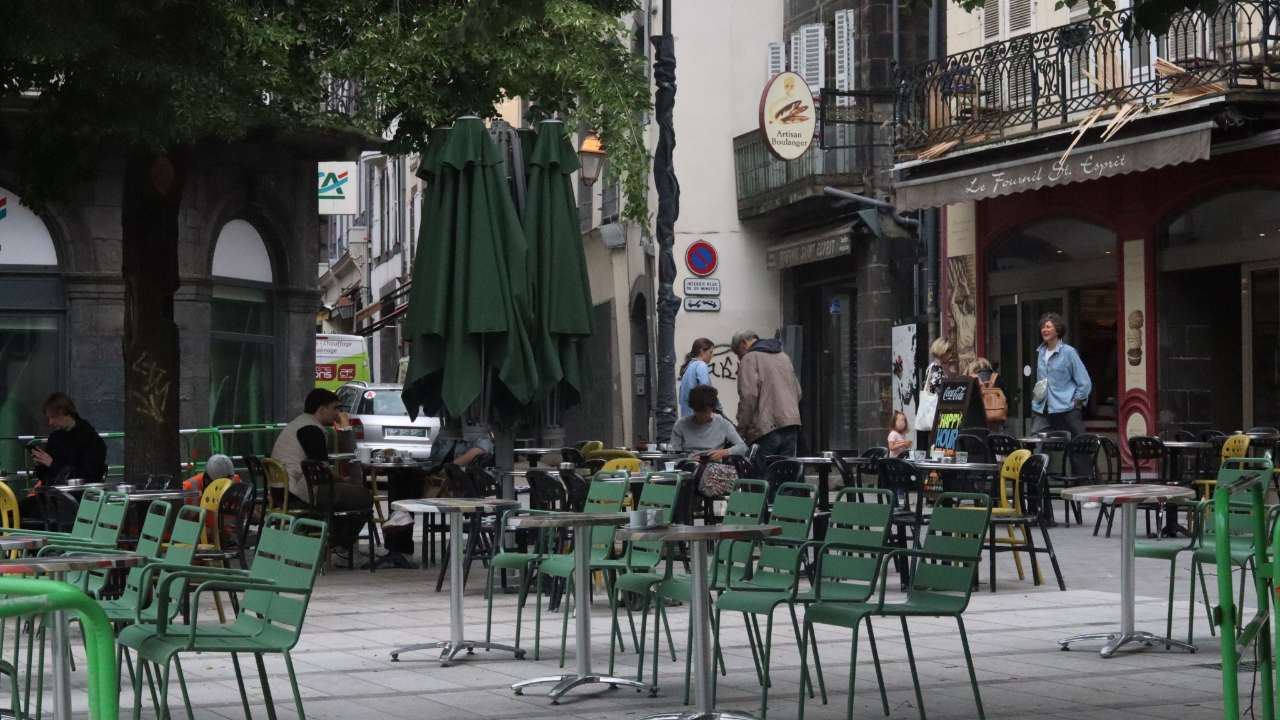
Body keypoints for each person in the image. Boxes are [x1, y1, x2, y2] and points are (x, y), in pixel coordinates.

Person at [271, 388, 374, 554]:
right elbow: (323, 469)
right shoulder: (311, 429)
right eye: (335, 408)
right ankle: (341, 550)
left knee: (343, 495)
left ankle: (332, 547)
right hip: (298, 491)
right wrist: (342, 480)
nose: (338, 413)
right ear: (322, 409)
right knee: (362, 496)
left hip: (280, 490)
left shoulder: (298, 423)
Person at [731, 330, 802, 457]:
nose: (739, 358)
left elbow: (748, 397)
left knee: (759, 474)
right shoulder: (784, 357)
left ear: (743, 342)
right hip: (791, 425)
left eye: (737, 352)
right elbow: (798, 391)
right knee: (784, 473)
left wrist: (741, 430)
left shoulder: (749, 358)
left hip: (766, 428)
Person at [1031, 313, 1091, 440]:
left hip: (1066, 409)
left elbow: (1084, 382)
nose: (1044, 330)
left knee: (1078, 448)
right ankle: (1039, 460)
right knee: (1036, 443)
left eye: (1048, 327)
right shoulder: (1040, 353)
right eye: (1042, 327)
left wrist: (1074, 402)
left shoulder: (1069, 352)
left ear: (1057, 330)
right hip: (1043, 408)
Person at [31, 393, 107, 483]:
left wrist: (52, 463)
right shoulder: (54, 438)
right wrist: (40, 464)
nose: (51, 422)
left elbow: (88, 475)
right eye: (49, 418)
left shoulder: (91, 439)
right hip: (54, 491)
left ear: (65, 412)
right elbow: (45, 476)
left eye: (54, 417)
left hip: (77, 493)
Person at [671, 385, 748, 459]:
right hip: (689, 465)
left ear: (712, 409)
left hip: (715, 464)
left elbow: (743, 448)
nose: (703, 416)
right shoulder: (681, 425)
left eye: (706, 412)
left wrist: (724, 452)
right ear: (693, 409)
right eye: (699, 412)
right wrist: (690, 460)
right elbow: (674, 454)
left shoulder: (724, 424)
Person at [917, 338, 955, 450]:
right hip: (935, 410)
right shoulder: (936, 368)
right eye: (950, 352)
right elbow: (939, 389)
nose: (952, 355)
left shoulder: (933, 367)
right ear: (943, 351)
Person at [426, 418, 494, 469]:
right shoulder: (444, 436)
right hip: (439, 479)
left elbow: (480, 450)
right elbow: (432, 460)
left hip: (462, 479)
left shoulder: (477, 434)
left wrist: (451, 466)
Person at [678, 338, 719, 417]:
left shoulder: (688, 367)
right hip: (698, 417)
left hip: (686, 417)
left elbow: (680, 398)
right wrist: (718, 407)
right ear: (702, 352)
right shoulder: (701, 365)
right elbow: (707, 390)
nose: (712, 355)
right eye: (710, 352)